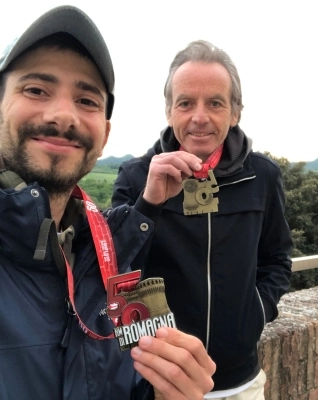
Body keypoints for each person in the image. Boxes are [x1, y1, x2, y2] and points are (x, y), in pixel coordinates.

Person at [0, 7, 215, 400]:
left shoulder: (101, 256)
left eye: (86, 100)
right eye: (35, 89)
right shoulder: (134, 177)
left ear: (104, 135)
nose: (63, 114)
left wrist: (166, 394)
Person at [112, 40, 293, 399]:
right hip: (161, 386)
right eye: (185, 103)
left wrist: (257, 312)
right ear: (169, 111)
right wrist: (148, 205)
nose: (199, 117)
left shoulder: (263, 176)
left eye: (215, 103)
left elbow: (277, 258)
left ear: (235, 112)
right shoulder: (135, 177)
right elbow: (116, 278)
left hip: (241, 382)